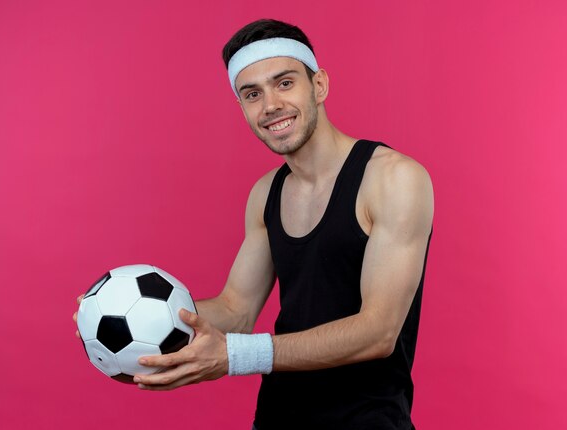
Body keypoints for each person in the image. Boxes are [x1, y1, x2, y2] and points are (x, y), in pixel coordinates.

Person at [75, 18, 434, 429]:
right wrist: (116, 313)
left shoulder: (393, 178)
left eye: (284, 83)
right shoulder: (266, 193)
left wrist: (237, 356)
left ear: (318, 86)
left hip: (367, 421)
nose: (270, 106)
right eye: (252, 94)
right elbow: (236, 309)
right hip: (278, 417)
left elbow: (379, 332)